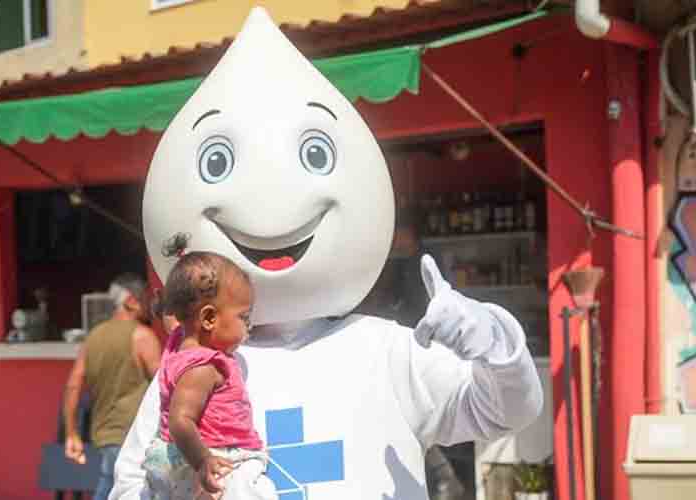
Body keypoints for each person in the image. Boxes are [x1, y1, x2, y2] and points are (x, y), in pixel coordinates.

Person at [111, 8, 542, 500]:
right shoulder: (190, 370)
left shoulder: (387, 352)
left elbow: (508, 411)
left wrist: (495, 348)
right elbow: (129, 486)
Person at [143, 250, 276, 500]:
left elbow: (176, 322)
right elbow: (180, 420)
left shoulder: (178, 341)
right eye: (243, 317)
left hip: (185, 457)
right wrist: (203, 460)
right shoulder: (204, 367)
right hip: (213, 455)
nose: (248, 326)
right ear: (208, 318)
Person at [63, 273, 162, 500]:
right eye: (144, 299)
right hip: (133, 435)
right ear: (131, 302)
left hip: (104, 435)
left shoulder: (94, 337)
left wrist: (72, 433)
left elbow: (72, 385)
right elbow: (163, 386)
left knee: (111, 486)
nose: (149, 306)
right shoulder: (142, 336)